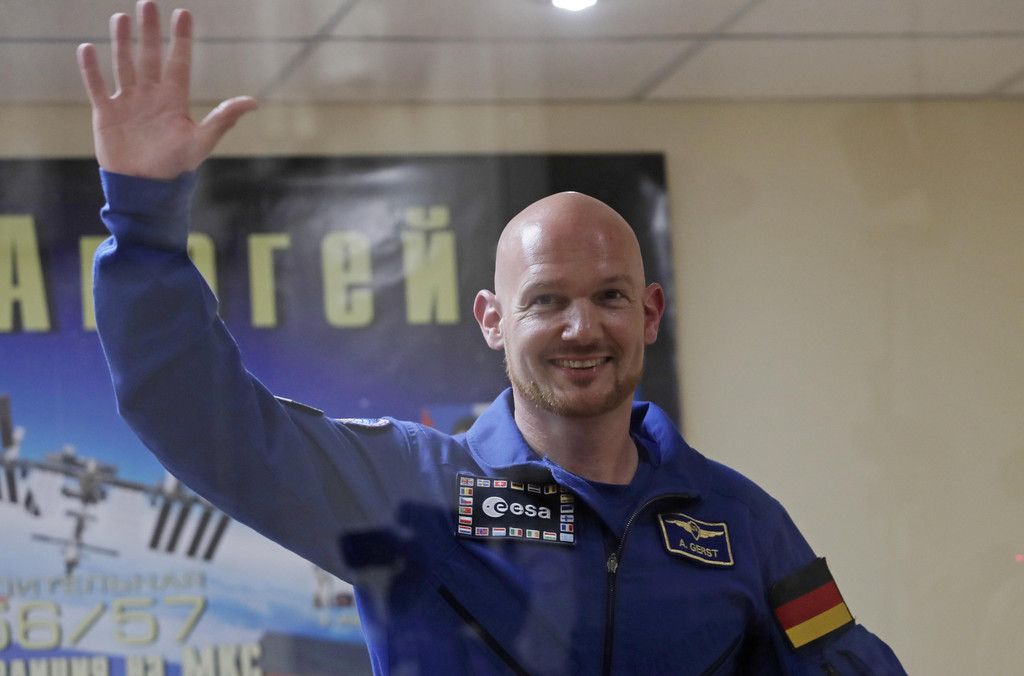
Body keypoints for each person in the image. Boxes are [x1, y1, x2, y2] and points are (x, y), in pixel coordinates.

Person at [78, 2, 905, 674]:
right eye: (546, 301)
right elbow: (197, 417)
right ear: (492, 320)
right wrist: (145, 225)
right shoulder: (408, 491)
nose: (582, 327)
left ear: (651, 312)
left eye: (610, 297)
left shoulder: (741, 522)